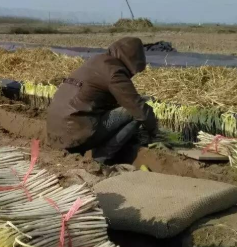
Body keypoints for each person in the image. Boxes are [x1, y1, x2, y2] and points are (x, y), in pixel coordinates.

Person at [46, 37, 157, 165]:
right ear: (132, 60)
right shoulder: (114, 72)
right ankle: (101, 159)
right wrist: (153, 132)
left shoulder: (97, 61)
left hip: (55, 132)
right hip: (75, 133)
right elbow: (139, 109)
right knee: (135, 113)